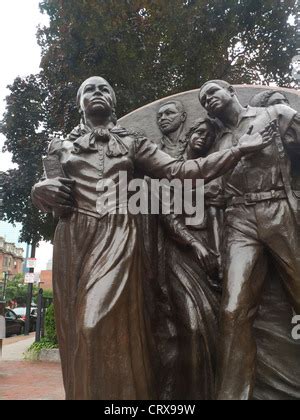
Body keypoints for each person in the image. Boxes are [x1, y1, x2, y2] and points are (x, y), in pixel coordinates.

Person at [32, 76, 274, 400]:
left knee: (95, 325)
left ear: (113, 102)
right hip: (74, 239)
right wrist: (39, 191)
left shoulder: (133, 142)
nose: (98, 93)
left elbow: (183, 171)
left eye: (105, 88)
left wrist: (238, 151)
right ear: (79, 102)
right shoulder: (58, 147)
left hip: (118, 236)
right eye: (90, 89)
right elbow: (53, 201)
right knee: (77, 333)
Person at [199, 79, 300, 400]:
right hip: (239, 221)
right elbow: (212, 192)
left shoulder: (275, 115)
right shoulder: (220, 144)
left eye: (213, 91)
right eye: (203, 99)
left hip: (278, 209)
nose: (208, 99)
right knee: (232, 310)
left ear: (231, 91)